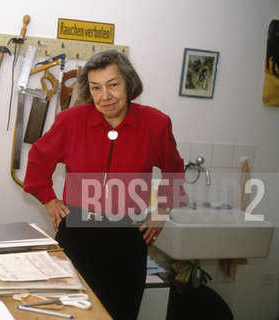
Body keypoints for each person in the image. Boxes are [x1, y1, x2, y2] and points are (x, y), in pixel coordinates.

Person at [23, 49, 187, 319]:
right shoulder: (70, 121)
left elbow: (175, 171)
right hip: (77, 235)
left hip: (127, 241)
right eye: (96, 88)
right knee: (65, 313)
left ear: (129, 83)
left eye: (113, 85)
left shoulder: (156, 124)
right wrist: (49, 199)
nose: (105, 96)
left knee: (118, 313)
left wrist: (161, 211)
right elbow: (38, 161)